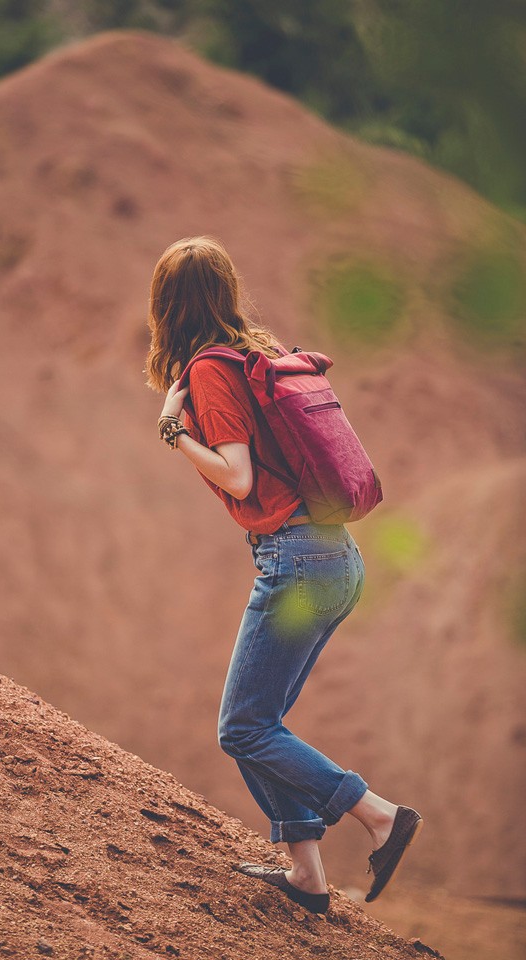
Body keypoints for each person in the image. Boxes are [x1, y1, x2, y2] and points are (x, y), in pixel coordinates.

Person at [145, 236, 422, 915]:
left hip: (296, 559)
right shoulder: (258, 352)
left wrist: (173, 432)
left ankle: (380, 816)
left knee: (244, 727)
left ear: (167, 307)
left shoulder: (210, 371)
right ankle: (307, 875)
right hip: (334, 557)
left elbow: (237, 473)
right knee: (258, 722)